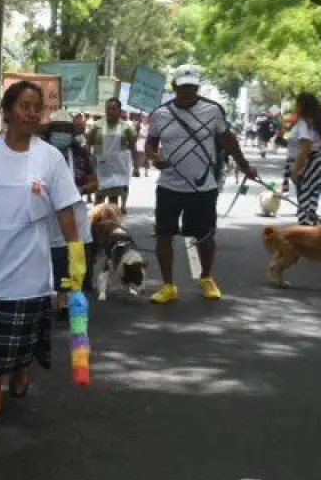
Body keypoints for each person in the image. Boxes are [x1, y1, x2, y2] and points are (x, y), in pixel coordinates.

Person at [0, 83, 84, 421]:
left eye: (36, 107)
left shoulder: (50, 157)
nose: (31, 113)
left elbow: (65, 209)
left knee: (25, 326)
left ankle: (19, 370)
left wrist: (76, 255)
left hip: (30, 256)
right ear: (8, 111)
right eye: (24, 106)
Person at [145, 64, 258, 303]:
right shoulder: (160, 114)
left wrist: (244, 166)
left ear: (197, 87)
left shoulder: (213, 111)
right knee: (164, 235)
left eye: (192, 87)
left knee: (205, 237)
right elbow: (151, 144)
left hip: (203, 186)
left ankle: (206, 278)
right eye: (183, 87)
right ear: (174, 86)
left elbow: (228, 141)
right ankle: (168, 286)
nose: (188, 92)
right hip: (169, 185)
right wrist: (154, 158)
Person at [40, 109, 96, 311]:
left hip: (76, 210)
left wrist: (78, 189)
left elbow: (94, 182)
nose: (61, 133)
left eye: (66, 129)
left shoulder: (80, 154)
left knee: (80, 252)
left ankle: (77, 294)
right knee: (59, 255)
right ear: (50, 131)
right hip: (50, 212)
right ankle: (61, 299)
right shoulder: (39, 153)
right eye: (58, 129)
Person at [87, 97, 137, 213]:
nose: (110, 111)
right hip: (100, 167)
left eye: (113, 109)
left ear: (120, 111)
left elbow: (133, 146)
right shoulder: (97, 125)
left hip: (118, 167)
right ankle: (96, 224)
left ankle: (111, 226)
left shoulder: (126, 127)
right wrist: (88, 162)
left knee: (113, 200)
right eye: (108, 109)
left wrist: (136, 166)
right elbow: (88, 144)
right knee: (99, 198)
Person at [287, 92, 321, 225]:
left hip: (308, 166)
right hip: (314, 165)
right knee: (309, 203)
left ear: (301, 105)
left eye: (297, 104)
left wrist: (296, 170)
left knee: (306, 204)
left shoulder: (304, 123)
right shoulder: (312, 122)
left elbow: (305, 149)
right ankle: (310, 236)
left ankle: (308, 237)